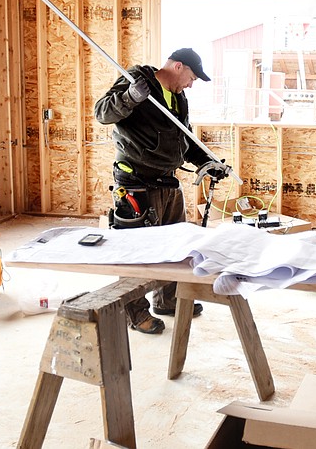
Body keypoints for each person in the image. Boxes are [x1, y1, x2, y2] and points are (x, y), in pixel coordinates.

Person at [93, 47, 230, 334]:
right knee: (137, 251)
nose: (191, 84)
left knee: (175, 246)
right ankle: (136, 313)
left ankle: (168, 300)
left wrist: (207, 161)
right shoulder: (135, 80)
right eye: (192, 77)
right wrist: (130, 98)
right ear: (178, 66)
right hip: (137, 181)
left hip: (168, 180)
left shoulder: (179, 98)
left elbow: (185, 137)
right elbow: (102, 113)